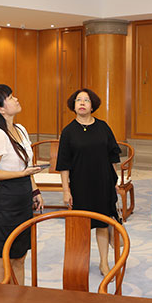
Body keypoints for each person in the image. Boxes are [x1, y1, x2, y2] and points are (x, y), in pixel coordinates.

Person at [0, 85, 43, 284]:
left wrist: (35, 190)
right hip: (5, 205)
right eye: (10, 97)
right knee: (2, 262)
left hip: (23, 200)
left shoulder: (20, 129)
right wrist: (21, 174)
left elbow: (27, 164)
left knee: (20, 258)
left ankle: (18, 299)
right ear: (0, 109)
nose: (16, 99)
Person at [56, 88, 121, 276]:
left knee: (102, 223)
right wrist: (66, 190)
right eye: (78, 100)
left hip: (103, 183)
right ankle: (79, 263)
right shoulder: (68, 131)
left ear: (93, 106)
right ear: (73, 105)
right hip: (80, 185)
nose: (82, 103)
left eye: (86, 100)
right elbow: (64, 165)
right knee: (81, 226)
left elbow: (113, 157)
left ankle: (104, 262)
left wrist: (114, 181)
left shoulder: (103, 127)